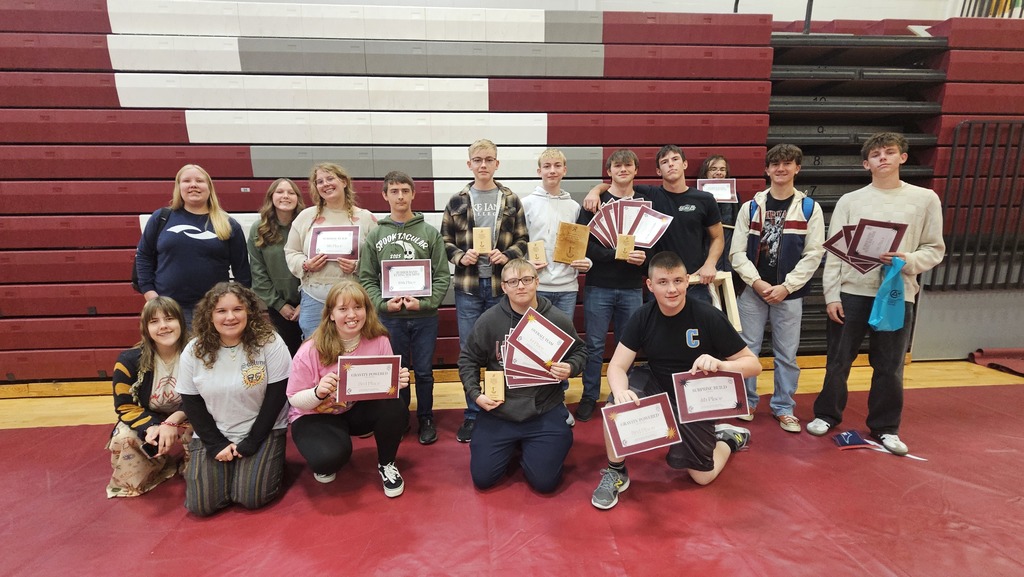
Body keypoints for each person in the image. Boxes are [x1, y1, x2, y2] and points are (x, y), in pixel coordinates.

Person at [807, 132, 945, 455]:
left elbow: (935, 249)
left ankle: (885, 427)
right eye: (876, 154)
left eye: (890, 152)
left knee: (890, 364)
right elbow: (835, 253)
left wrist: (907, 260)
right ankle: (826, 414)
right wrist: (831, 295)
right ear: (865, 163)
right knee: (838, 360)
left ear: (903, 158)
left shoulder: (925, 200)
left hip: (897, 293)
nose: (883, 158)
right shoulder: (850, 201)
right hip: (852, 292)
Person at [590, 251, 761, 510]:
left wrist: (721, 364)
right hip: (657, 384)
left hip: (695, 394)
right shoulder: (642, 316)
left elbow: (754, 365)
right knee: (616, 402)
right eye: (663, 282)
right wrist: (621, 391)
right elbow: (616, 365)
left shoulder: (708, 316)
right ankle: (616, 471)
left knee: (702, 477)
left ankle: (727, 439)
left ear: (688, 280)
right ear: (650, 285)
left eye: (678, 281)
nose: (672, 289)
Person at [458, 259, 587, 493]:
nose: (521, 286)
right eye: (513, 281)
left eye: (527, 280)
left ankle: (533, 446)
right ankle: (514, 445)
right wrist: (475, 395)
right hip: (500, 411)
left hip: (544, 410)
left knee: (545, 483)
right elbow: (467, 359)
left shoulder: (556, 318)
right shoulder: (489, 320)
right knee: (483, 479)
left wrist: (570, 367)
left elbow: (580, 350)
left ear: (537, 282)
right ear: (504, 286)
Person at [730, 144, 825, 433]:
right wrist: (756, 282)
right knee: (747, 350)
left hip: (789, 294)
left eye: (787, 163)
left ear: (798, 168)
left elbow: (814, 254)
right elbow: (736, 254)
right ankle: (746, 401)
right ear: (767, 169)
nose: (780, 168)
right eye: (775, 164)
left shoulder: (810, 208)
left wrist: (786, 286)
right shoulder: (751, 207)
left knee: (787, 354)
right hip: (753, 291)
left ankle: (784, 407)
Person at [286, 280, 411, 497]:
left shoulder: (379, 340)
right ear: (331, 314)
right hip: (315, 414)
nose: (352, 315)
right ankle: (331, 450)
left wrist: (396, 383)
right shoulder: (311, 348)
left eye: (357, 307)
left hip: (354, 409)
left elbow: (385, 389)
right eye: (343, 309)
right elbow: (294, 398)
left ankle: (386, 464)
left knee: (396, 403)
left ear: (366, 311)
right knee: (328, 461)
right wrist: (318, 392)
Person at [176, 282, 291, 516]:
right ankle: (238, 467)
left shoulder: (269, 342)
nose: (230, 317)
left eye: (237, 309)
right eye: (221, 311)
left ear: (248, 311)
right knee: (202, 506)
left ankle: (268, 462)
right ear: (210, 315)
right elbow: (191, 401)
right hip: (216, 430)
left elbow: (277, 395)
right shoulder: (193, 350)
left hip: (262, 429)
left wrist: (252, 441)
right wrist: (216, 443)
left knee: (251, 497)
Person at [441, 138, 529, 443]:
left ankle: (504, 407)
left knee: (503, 349)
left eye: (488, 159)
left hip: (499, 286)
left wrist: (507, 256)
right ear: (469, 165)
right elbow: (444, 241)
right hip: (467, 287)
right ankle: (473, 413)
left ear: (497, 164)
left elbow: (523, 241)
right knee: (470, 350)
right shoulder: (456, 200)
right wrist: (458, 256)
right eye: (477, 160)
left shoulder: (511, 199)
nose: (483, 164)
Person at [359, 171, 450, 445]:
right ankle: (398, 417)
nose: (400, 196)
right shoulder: (376, 234)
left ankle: (426, 417)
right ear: (385, 195)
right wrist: (381, 304)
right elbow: (366, 277)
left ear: (413, 194)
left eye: (405, 191)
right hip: (391, 318)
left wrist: (425, 302)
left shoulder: (429, 232)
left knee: (423, 371)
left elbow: (443, 276)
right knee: (397, 371)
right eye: (394, 191)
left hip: (424, 316)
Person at [585, 146, 724, 304]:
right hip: (660, 283)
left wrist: (710, 264)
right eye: (665, 162)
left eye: (675, 159)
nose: (670, 164)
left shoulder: (705, 199)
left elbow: (718, 236)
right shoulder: (649, 196)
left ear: (685, 164)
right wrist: (595, 191)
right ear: (659, 171)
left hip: (694, 281)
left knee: (697, 329)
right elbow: (619, 186)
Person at [573, 149, 649, 423]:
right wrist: (615, 254)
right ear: (609, 171)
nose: (622, 169)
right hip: (599, 286)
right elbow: (584, 244)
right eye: (617, 166)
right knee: (593, 345)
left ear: (635, 170)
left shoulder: (645, 203)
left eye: (628, 165)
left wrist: (643, 259)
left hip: (631, 287)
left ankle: (621, 396)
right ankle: (589, 396)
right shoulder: (595, 202)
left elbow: (653, 244)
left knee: (626, 346)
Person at [521, 148, 592, 426]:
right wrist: (528, 264)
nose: (552, 170)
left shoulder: (573, 207)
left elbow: (581, 247)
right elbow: (519, 242)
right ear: (538, 170)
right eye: (547, 166)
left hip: (567, 286)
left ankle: (557, 403)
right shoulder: (526, 203)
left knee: (561, 349)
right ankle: (532, 401)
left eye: (557, 166)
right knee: (535, 346)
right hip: (537, 287)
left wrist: (585, 262)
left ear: (565, 169)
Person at [135, 164, 251, 327]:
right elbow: (143, 257)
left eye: (199, 181)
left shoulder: (228, 225)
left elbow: (242, 272)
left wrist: (235, 307)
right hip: (169, 310)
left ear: (209, 188)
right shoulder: (161, 218)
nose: (193, 185)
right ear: (178, 187)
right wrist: (151, 296)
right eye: (187, 181)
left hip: (213, 310)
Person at [106, 297, 191, 498]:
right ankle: (160, 464)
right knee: (123, 439)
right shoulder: (128, 360)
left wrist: (172, 422)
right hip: (151, 416)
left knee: (200, 471)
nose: (163, 326)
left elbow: (208, 397)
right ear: (145, 328)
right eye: (154, 321)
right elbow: (125, 407)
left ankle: (189, 459)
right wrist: (150, 427)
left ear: (180, 321)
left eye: (169, 319)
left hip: (189, 415)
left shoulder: (198, 353)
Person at [285, 162, 378, 339]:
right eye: (320, 181)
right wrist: (305, 264)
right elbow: (291, 251)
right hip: (314, 297)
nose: (325, 184)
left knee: (354, 347)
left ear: (344, 181)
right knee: (314, 348)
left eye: (330, 178)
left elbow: (377, 257)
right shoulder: (306, 217)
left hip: (354, 300)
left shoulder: (366, 218)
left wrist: (358, 266)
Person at [247, 178, 306, 356]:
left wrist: (305, 303)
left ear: (298, 198)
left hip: (310, 302)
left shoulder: (308, 225)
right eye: (280, 192)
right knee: (286, 354)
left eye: (291, 192)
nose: (285, 196)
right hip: (279, 307)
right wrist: (280, 305)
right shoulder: (259, 229)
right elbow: (258, 272)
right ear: (271, 197)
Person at [698, 154, 738, 273]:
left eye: (722, 169)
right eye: (713, 169)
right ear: (705, 173)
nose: (718, 172)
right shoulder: (697, 196)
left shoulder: (735, 195)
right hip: (705, 245)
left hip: (729, 243)